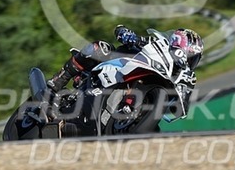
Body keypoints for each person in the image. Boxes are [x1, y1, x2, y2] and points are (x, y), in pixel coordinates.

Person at [47, 25, 203, 110]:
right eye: (189, 54)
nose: (189, 60)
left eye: (193, 58)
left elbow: (182, 107)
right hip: (119, 68)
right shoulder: (155, 44)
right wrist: (127, 34)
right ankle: (57, 82)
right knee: (99, 47)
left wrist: (181, 97)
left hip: (146, 103)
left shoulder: (187, 77)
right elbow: (119, 29)